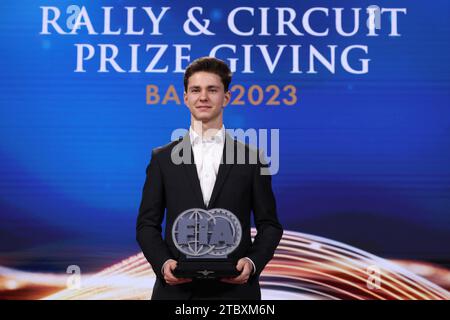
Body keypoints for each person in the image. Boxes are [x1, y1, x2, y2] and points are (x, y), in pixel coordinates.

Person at [136, 57, 283, 300]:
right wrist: (163, 264)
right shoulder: (162, 158)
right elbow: (146, 225)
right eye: (196, 90)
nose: (203, 97)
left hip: (235, 294)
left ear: (226, 97)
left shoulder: (252, 158)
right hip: (175, 293)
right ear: (185, 98)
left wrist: (252, 263)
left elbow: (270, 225)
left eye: (212, 90)